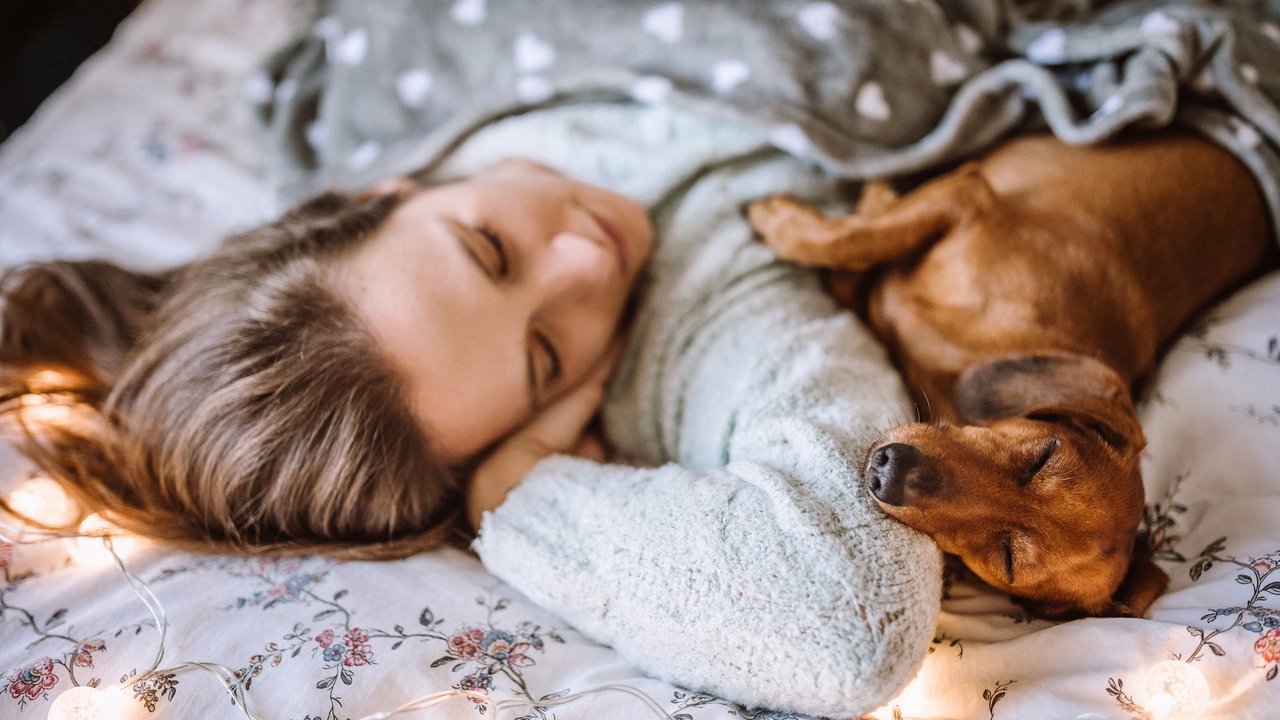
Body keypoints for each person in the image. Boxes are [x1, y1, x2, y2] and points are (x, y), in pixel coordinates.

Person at [0, 99, 943, 716]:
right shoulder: (708, 311)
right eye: (543, 356)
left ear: (385, 193)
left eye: (488, 248)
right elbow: (849, 625)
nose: (586, 262)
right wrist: (524, 493)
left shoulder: (406, 98)